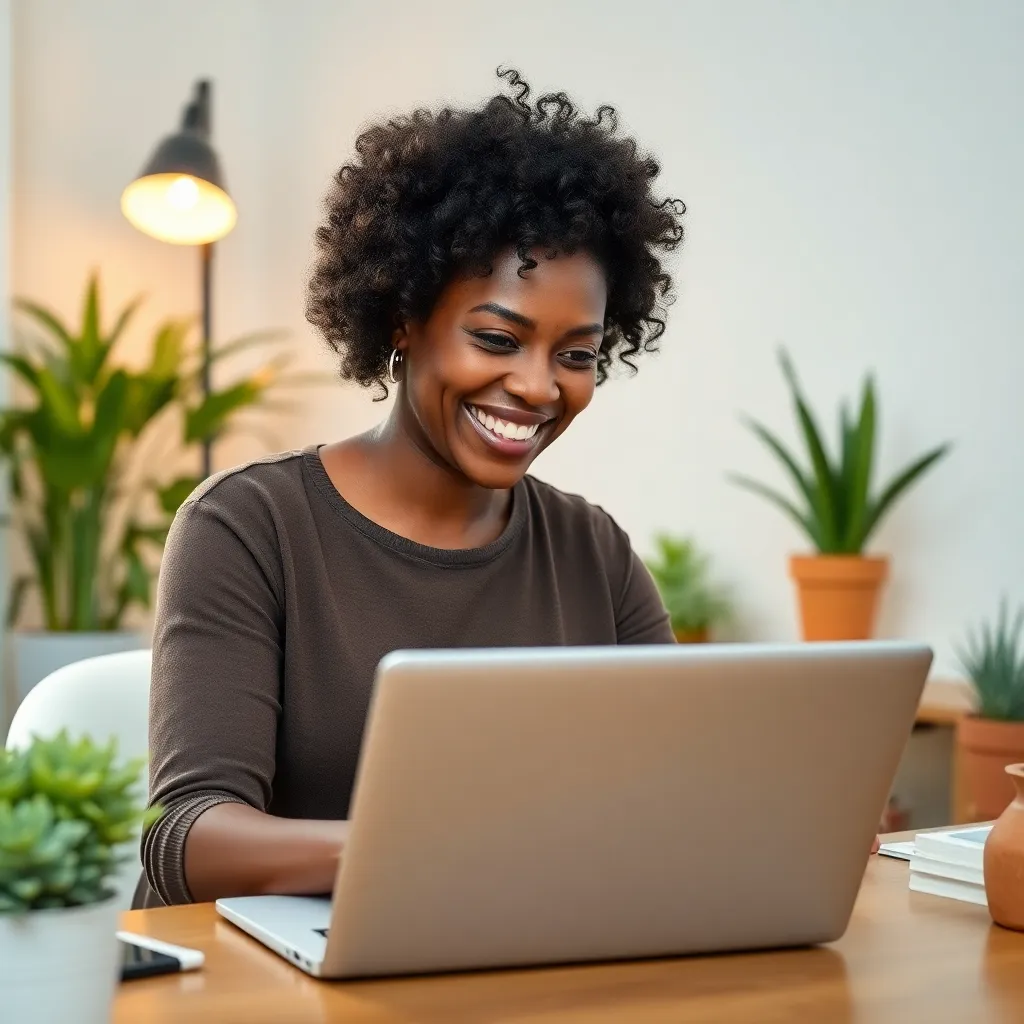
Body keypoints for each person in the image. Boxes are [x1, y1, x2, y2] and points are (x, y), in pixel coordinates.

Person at [138, 68, 868, 910]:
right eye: (497, 337)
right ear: (403, 318)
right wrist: (435, 852)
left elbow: (673, 799)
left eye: (575, 354)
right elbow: (185, 836)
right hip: (268, 977)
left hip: (503, 960)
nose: (536, 386)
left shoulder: (593, 553)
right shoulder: (248, 527)